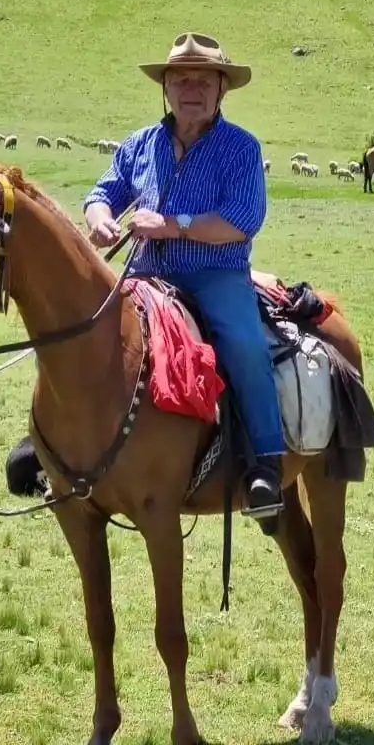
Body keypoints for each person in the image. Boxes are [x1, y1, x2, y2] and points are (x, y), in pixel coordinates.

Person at [83, 32, 285, 530]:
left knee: (243, 344)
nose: (190, 88)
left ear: (221, 90)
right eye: (180, 79)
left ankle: (266, 466)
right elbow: (103, 189)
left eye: (203, 79)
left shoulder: (240, 148)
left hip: (215, 274)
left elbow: (241, 219)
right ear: (166, 87)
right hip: (146, 272)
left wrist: (173, 224)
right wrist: (99, 215)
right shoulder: (141, 144)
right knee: (86, 330)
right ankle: (55, 446)